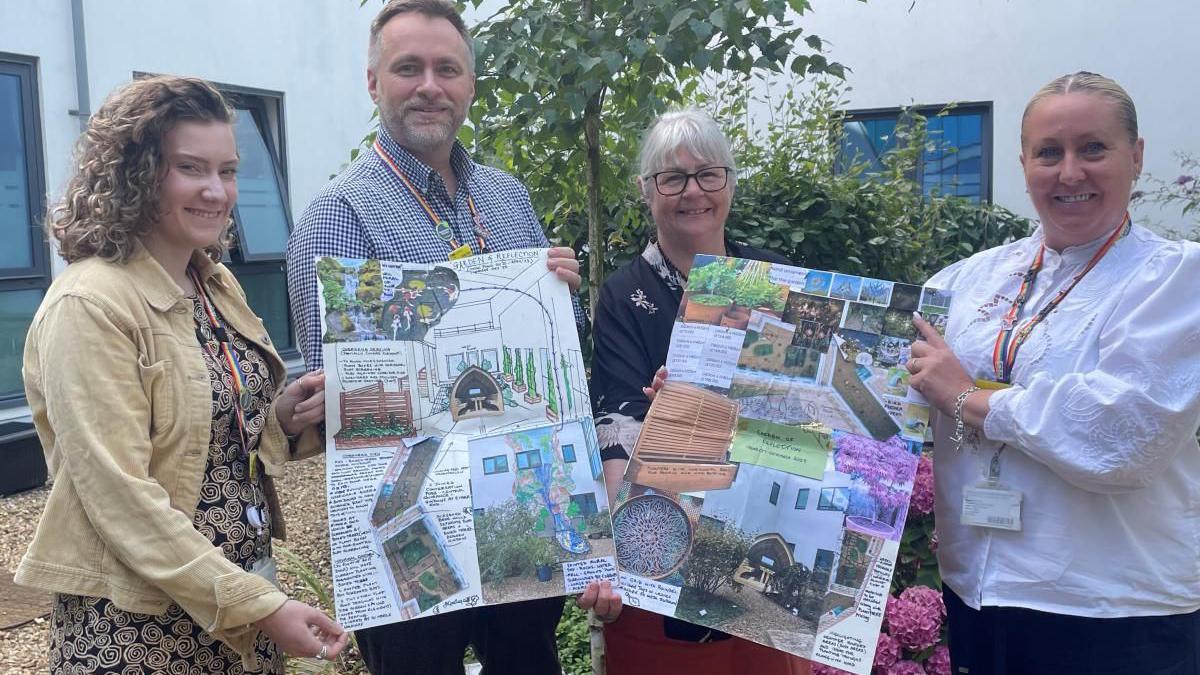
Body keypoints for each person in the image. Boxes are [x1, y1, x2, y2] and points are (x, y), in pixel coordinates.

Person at [285, 1, 584, 672]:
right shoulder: (337, 219)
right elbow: (332, 410)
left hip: (522, 520)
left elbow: (556, 344)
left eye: (447, 68)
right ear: (373, 83)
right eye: (407, 68)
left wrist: (564, 290)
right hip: (412, 532)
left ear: (470, 84)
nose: (429, 85)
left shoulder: (509, 198)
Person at [15, 76, 348, 674]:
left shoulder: (212, 283)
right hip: (140, 631)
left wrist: (281, 417)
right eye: (191, 168)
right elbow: (120, 499)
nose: (217, 192)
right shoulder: (90, 305)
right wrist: (263, 607)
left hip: (234, 616)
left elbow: (215, 443)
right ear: (135, 174)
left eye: (228, 170)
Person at [906, 71, 1200, 675]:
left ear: (1136, 155)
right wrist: (705, 400)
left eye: (1093, 148)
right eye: (1049, 153)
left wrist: (969, 398)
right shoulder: (962, 283)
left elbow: (1122, 436)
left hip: (1114, 609)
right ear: (1023, 163)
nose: (1070, 172)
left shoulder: (1174, 279)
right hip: (979, 595)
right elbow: (868, 406)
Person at [587, 108, 810, 675]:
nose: (694, 192)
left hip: (767, 530)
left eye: (709, 174)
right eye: (672, 178)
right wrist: (622, 556)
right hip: (666, 537)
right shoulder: (624, 294)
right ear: (646, 190)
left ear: (730, 182)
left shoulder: (777, 281)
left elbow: (806, 414)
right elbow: (617, 426)